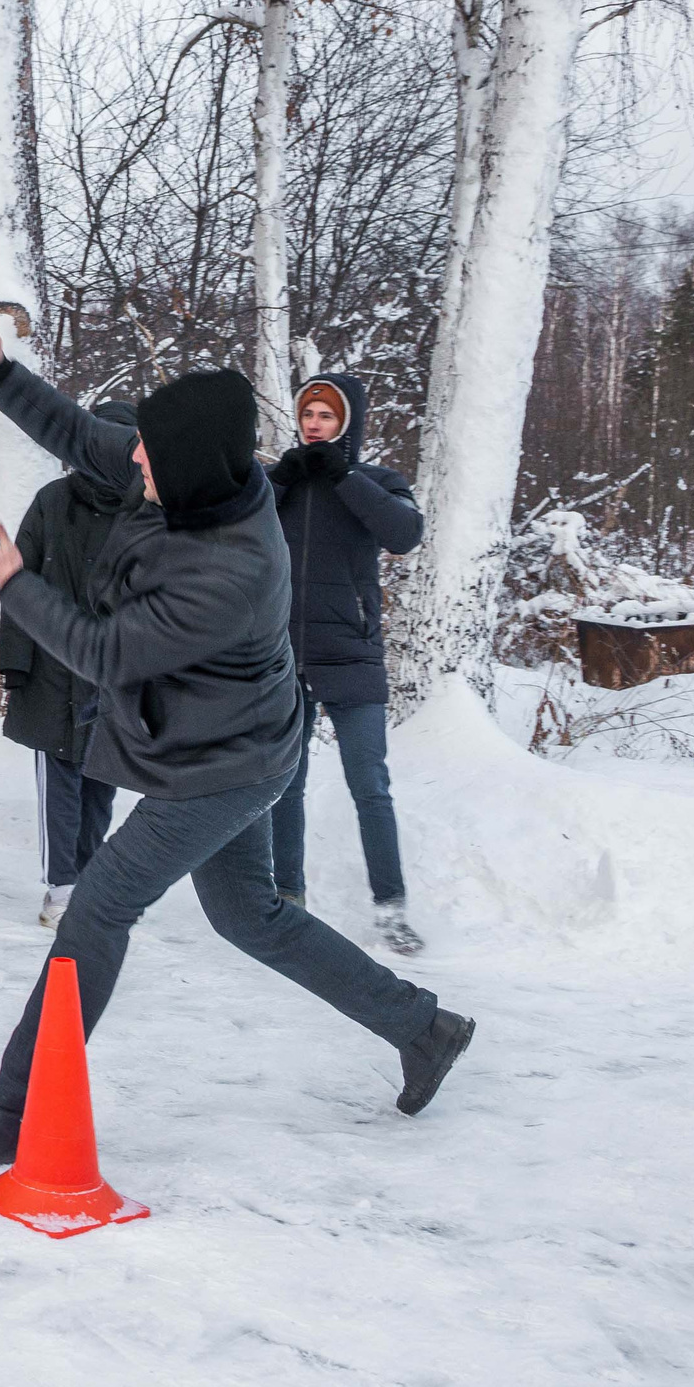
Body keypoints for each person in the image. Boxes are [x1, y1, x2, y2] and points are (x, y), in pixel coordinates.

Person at [0, 308, 472, 1170]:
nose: (131, 453)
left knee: (99, 906)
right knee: (251, 916)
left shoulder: (230, 569)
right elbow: (80, 432)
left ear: (184, 470)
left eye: (147, 452)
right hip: (229, 739)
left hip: (221, 767)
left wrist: (15, 585)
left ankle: (13, 1106)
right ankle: (422, 1026)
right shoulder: (188, 469)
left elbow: (105, 652)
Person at [267, 374, 428, 954]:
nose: (314, 422)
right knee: (286, 783)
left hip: (353, 653)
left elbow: (406, 533)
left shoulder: (379, 482)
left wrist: (343, 475)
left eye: (326, 415)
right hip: (283, 654)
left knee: (370, 784)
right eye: (308, 412)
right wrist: (281, 479)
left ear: (348, 423)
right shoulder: (277, 480)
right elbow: (228, 526)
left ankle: (391, 910)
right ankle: (288, 899)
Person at [0, 398, 139, 930]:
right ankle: (61, 886)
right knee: (59, 781)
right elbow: (18, 579)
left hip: (117, 671)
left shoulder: (149, 513)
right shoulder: (52, 501)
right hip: (54, 667)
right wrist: (15, 661)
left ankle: (88, 876)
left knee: (102, 780)